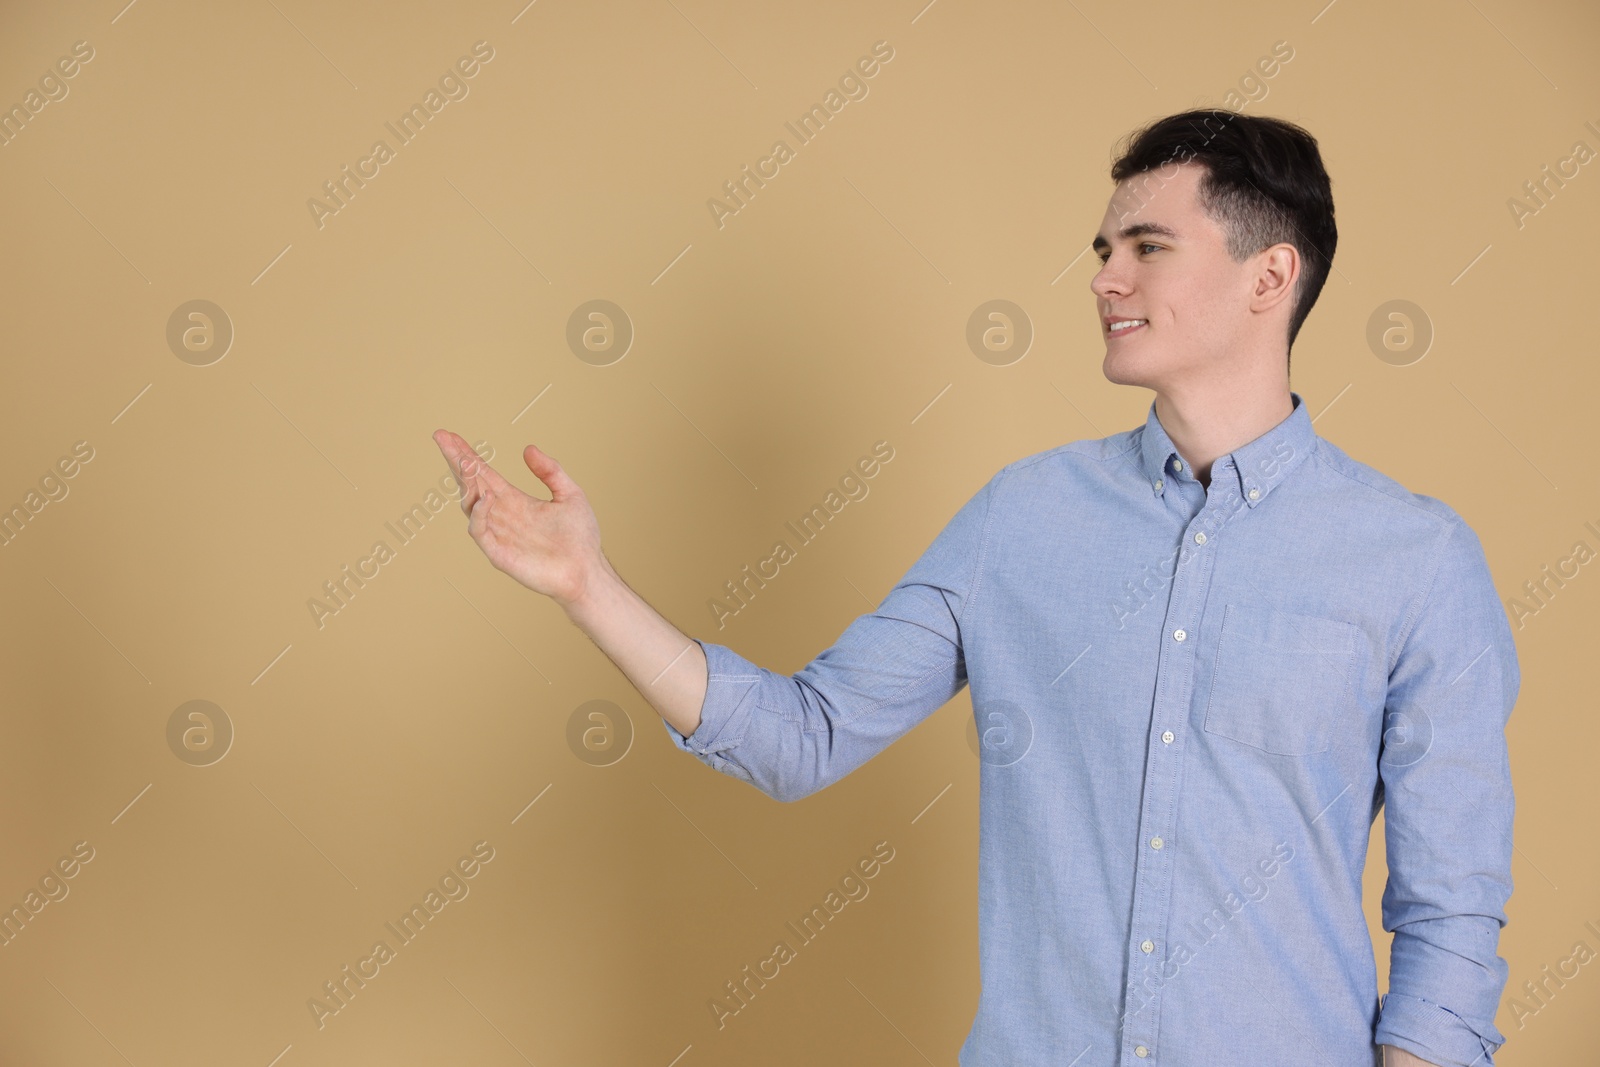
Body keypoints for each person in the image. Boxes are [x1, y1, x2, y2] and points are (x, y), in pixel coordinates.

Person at [432, 109, 1518, 1067]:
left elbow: (1450, 918)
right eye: (1102, 249)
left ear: (1268, 276)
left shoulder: (1413, 560)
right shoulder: (1021, 519)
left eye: (1147, 246)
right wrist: (588, 585)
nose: (1102, 277)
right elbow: (802, 733)